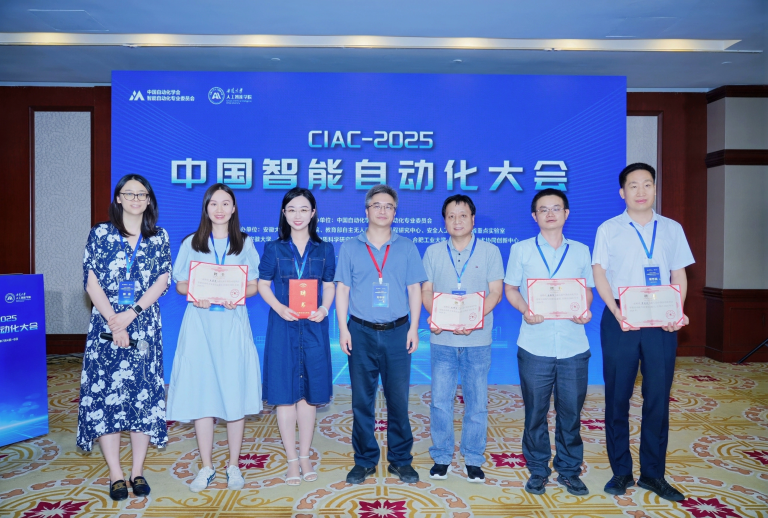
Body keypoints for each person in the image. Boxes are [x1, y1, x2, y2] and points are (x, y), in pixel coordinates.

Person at [592, 163, 694, 502]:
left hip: (660, 319)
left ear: (654, 189)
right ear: (622, 192)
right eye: (633, 185)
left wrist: (676, 311)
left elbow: (679, 274)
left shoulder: (672, 229)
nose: (641, 191)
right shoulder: (608, 229)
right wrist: (615, 310)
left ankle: (653, 474)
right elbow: (600, 273)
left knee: (658, 399)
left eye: (647, 184)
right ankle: (621, 470)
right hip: (621, 317)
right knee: (617, 397)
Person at [77, 174, 172, 501]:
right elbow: (91, 280)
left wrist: (131, 314)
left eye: (141, 194)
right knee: (108, 398)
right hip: (106, 324)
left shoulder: (158, 236)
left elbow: (162, 280)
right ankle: (116, 473)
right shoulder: (100, 233)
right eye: (129, 194)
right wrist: (114, 322)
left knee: (142, 398)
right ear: (118, 198)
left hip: (143, 324)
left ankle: (137, 470)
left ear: (149, 200)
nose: (135, 199)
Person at [166, 183, 262, 492]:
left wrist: (237, 295)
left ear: (234, 208)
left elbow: (254, 284)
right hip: (200, 327)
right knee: (202, 392)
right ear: (206, 208)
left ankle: (233, 465)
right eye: (213, 204)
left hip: (232, 325)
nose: (219, 209)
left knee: (234, 393)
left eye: (225, 203)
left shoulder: (244, 243)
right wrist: (197, 294)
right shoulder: (192, 242)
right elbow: (180, 284)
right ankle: (206, 466)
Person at [334, 184, 427, 485]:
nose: (383, 210)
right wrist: (343, 328)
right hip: (360, 331)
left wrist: (414, 328)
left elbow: (415, 289)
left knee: (398, 400)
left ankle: (401, 460)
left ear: (395, 212)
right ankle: (364, 460)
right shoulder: (350, 247)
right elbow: (342, 290)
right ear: (367, 211)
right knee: (362, 400)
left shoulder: (407, 247)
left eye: (389, 206)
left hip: (398, 332)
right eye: (377, 205)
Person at [504, 188, 595, 496]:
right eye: (543, 209)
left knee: (571, 414)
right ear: (535, 216)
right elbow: (511, 289)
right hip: (535, 344)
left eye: (556, 208)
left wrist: (584, 310)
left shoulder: (581, 251)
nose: (550, 213)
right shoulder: (521, 250)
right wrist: (524, 310)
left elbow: (587, 291)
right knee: (535, 413)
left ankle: (569, 471)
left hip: (573, 345)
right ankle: (538, 469)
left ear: (566, 214)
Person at [421, 195, 504, 483]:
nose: (457, 221)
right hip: (442, 339)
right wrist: (437, 315)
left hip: (477, 339)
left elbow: (496, 292)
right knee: (440, 401)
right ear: (444, 221)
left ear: (473, 219)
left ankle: (473, 458)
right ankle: (442, 456)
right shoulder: (433, 252)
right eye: (451, 216)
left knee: (477, 402)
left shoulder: (490, 251)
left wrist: (473, 318)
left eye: (463, 215)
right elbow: (427, 291)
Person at [258, 188, 336, 486]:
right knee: (285, 395)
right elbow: (263, 284)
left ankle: (305, 456)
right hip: (283, 326)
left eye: (304, 209)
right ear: (284, 213)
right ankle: (292, 460)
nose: (298, 215)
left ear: (313, 213)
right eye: (291, 209)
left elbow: (329, 284)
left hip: (314, 327)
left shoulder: (325, 249)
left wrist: (324, 308)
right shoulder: (274, 248)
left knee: (309, 396)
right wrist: (279, 308)